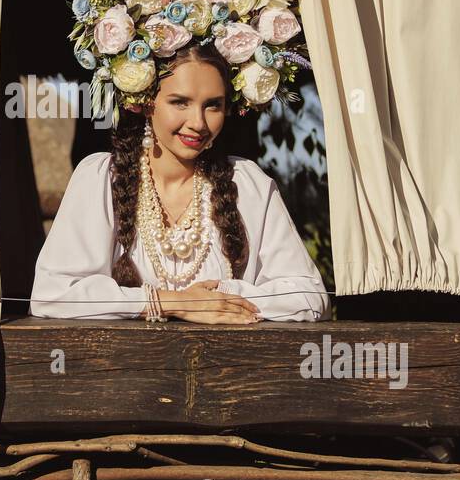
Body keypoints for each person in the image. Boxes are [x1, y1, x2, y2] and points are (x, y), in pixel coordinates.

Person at [30, 43, 330, 324]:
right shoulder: (100, 179)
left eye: (213, 105)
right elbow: (52, 295)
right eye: (180, 102)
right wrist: (173, 303)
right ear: (147, 102)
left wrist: (223, 295)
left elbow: (310, 297)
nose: (198, 123)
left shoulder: (248, 183)